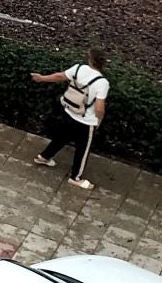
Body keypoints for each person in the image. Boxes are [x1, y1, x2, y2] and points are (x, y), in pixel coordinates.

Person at [30, 49, 110, 189]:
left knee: (60, 138)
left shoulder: (79, 68)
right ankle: (75, 177)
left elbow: (59, 76)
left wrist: (41, 78)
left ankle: (43, 157)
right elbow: (99, 108)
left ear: (90, 59)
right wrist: (99, 121)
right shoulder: (102, 83)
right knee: (82, 150)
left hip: (69, 111)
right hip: (86, 121)